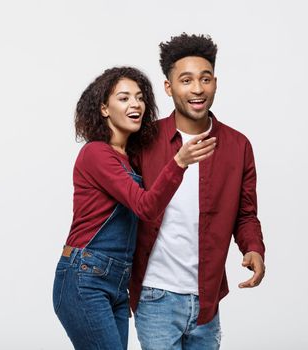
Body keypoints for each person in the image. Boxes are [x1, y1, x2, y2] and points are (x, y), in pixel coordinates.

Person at [52, 66, 217, 350]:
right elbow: (145, 207)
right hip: (85, 277)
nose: (136, 104)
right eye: (124, 98)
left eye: (140, 98)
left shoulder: (129, 159)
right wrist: (178, 163)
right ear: (104, 109)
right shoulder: (96, 153)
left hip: (116, 283)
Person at [129, 33, 266, 350]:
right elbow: (129, 205)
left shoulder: (237, 145)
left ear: (215, 83)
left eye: (205, 79)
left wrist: (254, 248)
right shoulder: (144, 140)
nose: (197, 89)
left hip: (207, 299)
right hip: (155, 294)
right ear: (169, 87)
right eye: (186, 80)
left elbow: (245, 214)